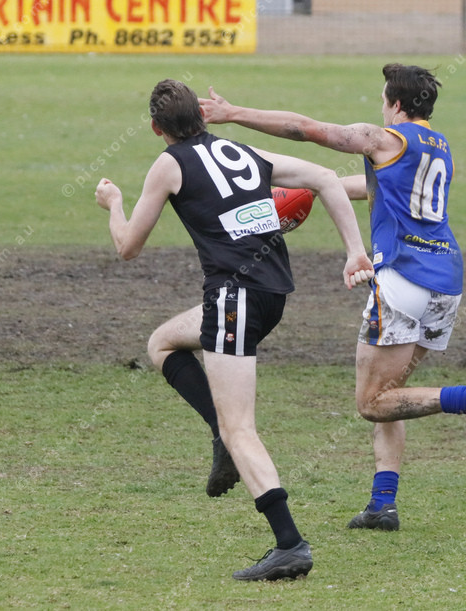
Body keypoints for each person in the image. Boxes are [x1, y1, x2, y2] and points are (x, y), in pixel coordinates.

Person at [199, 63, 466, 532]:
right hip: (446, 282)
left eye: (384, 99)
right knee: (394, 394)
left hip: (403, 279)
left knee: (372, 402)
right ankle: (383, 504)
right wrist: (317, 188)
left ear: (396, 103)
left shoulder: (383, 138)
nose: (381, 107)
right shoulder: (439, 147)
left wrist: (233, 113)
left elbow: (304, 128)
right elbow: (381, 188)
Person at [95, 78, 374, 580]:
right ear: (202, 117)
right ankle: (219, 435)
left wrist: (114, 203)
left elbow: (128, 247)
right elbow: (327, 178)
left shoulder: (169, 163)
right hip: (270, 295)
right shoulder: (241, 151)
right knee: (163, 342)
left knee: (240, 426)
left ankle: (289, 544)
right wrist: (355, 250)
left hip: (234, 299)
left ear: (157, 128)